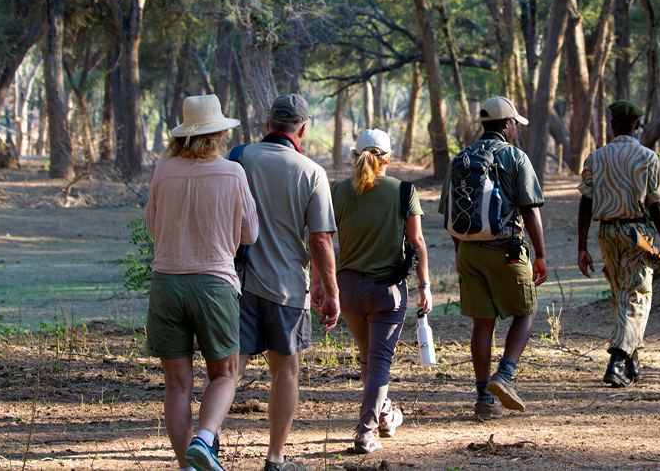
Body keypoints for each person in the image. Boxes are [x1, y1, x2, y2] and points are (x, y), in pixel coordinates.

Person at [144, 94, 259, 471]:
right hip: (214, 282)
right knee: (224, 373)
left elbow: (152, 227)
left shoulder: (164, 172)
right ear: (221, 133)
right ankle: (205, 440)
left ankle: (187, 466)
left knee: (177, 385)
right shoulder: (232, 172)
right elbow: (250, 234)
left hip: (166, 282)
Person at [232, 94, 340, 471]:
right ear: (303, 129)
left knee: (231, 370)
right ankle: (275, 459)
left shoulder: (238, 157)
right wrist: (330, 289)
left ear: (267, 123)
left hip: (238, 286)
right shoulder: (312, 172)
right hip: (287, 289)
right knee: (286, 372)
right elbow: (320, 240)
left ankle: (206, 441)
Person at [439, 96, 547, 419]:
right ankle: (506, 375)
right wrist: (540, 255)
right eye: (515, 123)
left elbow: (450, 213)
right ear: (507, 124)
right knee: (526, 311)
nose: (516, 129)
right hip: (506, 250)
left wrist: (462, 254)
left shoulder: (461, 158)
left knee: (482, 324)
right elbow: (530, 210)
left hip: (469, 251)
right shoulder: (516, 157)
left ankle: (483, 398)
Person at [330, 129, 432, 454]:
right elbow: (416, 242)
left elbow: (322, 236)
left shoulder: (338, 191)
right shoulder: (403, 190)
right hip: (386, 291)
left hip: (347, 290)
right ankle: (365, 431)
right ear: (389, 158)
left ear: (354, 156)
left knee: (368, 359)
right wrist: (425, 286)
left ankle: (385, 414)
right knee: (378, 363)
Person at [576, 99, 660, 388]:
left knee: (621, 295)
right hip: (638, 236)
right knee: (637, 296)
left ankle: (632, 361)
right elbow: (657, 206)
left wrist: (582, 247)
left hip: (606, 234)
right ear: (637, 126)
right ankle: (617, 360)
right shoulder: (648, 158)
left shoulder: (595, 158)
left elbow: (586, 201)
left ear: (612, 124)